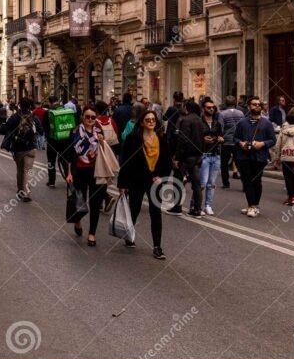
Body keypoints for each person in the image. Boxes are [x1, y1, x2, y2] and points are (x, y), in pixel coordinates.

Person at [118, 111, 171, 260]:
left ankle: (157, 247)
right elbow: (125, 161)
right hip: (137, 179)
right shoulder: (133, 138)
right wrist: (122, 183)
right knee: (134, 209)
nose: (151, 122)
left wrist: (161, 177)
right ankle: (129, 236)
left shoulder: (161, 138)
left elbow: (167, 160)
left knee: (156, 213)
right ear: (142, 122)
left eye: (153, 120)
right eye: (148, 120)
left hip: (154, 181)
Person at [66, 106, 107, 247]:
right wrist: (69, 173)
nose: (90, 120)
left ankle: (92, 234)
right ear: (82, 117)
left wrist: (102, 141)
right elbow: (70, 155)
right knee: (80, 201)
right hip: (79, 172)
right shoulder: (75, 132)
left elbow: (104, 151)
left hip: (96, 172)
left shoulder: (99, 132)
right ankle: (78, 220)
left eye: (93, 117)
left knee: (95, 204)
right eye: (87, 117)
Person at [234, 96, 277, 218]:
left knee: (256, 181)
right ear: (249, 107)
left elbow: (273, 140)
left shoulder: (266, 123)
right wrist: (241, 143)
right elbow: (235, 138)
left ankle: (255, 205)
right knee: (247, 181)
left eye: (259, 104)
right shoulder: (242, 122)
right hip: (244, 156)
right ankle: (251, 205)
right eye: (254, 104)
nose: (257, 106)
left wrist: (262, 144)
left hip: (259, 157)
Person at [0, 98, 45, 202]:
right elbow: (41, 131)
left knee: (20, 170)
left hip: (18, 148)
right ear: (29, 106)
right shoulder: (34, 117)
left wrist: (6, 131)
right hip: (31, 147)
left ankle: (20, 191)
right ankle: (27, 193)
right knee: (28, 171)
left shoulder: (15, 117)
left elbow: (3, 130)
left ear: (19, 105)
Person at [173, 101, 204, 217]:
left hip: (186, 156)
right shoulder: (199, 120)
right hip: (197, 156)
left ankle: (177, 208)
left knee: (178, 181)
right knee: (196, 183)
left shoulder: (186, 120)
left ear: (186, 108)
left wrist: (177, 157)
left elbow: (183, 140)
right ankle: (197, 210)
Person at [271, 110, 294, 207]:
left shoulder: (283, 131)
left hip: (286, 156)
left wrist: (276, 158)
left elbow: (278, 145)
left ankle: (291, 197)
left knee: (288, 178)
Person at [199, 99, 223, 216]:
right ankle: (196, 205)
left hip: (215, 155)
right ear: (203, 109)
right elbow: (193, 138)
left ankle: (208, 205)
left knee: (212, 183)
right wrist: (202, 139)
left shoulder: (216, 123)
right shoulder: (199, 122)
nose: (212, 109)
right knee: (202, 183)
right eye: (209, 107)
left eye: (213, 107)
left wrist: (220, 139)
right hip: (204, 155)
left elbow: (220, 136)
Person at [43, 95, 73, 188]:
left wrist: (47, 136)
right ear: (57, 101)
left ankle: (51, 181)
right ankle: (69, 178)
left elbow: (45, 126)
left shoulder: (48, 112)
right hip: (65, 139)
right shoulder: (65, 110)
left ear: (49, 102)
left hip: (52, 141)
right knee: (65, 160)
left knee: (51, 161)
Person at [218, 95, 245, 189]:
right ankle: (245, 184)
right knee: (240, 163)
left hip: (226, 141)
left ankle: (226, 183)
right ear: (235, 103)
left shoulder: (222, 114)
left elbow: (220, 128)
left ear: (225, 103)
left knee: (224, 164)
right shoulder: (241, 113)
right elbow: (243, 127)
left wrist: (220, 138)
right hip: (238, 142)